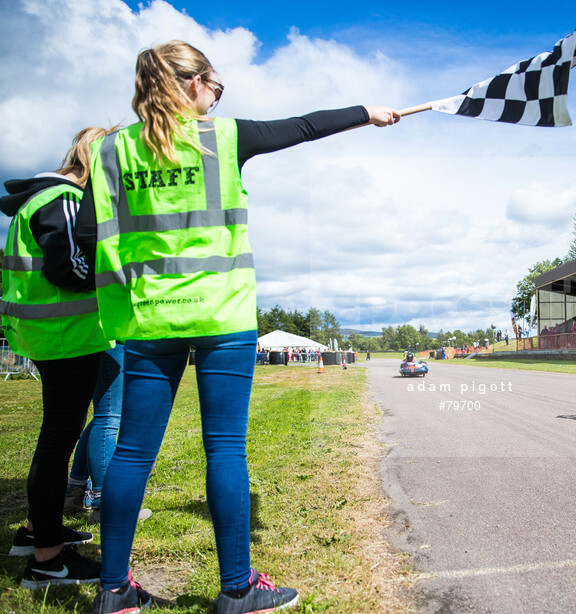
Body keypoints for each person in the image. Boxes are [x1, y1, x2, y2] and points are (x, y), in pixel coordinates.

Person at [75, 40, 400, 614]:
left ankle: (113, 593)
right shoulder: (222, 138)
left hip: (149, 318)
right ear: (192, 83)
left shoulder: (110, 152)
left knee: (130, 454)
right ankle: (236, 588)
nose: (217, 96)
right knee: (225, 449)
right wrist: (366, 113)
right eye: (215, 85)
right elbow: (301, 126)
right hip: (222, 314)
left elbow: (89, 238)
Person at [1, 127, 116, 588]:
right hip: (66, 336)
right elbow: (69, 268)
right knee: (57, 441)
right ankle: (48, 561)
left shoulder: (40, 196)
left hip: (50, 334)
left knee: (58, 439)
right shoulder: (65, 198)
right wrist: (117, 276)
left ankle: (36, 531)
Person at [64, 342, 153, 525]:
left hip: (99, 338)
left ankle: (76, 490)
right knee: (108, 416)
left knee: (105, 414)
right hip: (111, 338)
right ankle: (105, 503)